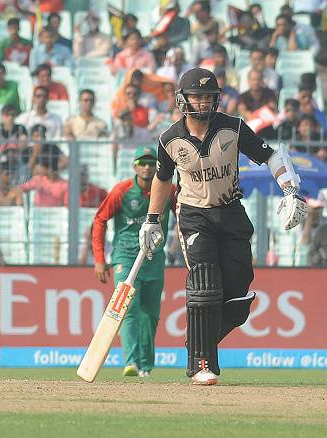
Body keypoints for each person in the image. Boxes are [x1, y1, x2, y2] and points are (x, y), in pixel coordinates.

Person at [139, 68, 307, 386]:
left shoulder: (234, 127)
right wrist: (152, 221)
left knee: (237, 296)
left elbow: (270, 156)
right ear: (182, 100)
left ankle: (199, 342)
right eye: (196, 97)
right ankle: (202, 363)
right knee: (204, 282)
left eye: (208, 97)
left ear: (216, 99)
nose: (202, 103)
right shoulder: (169, 139)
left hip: (231, 212)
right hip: (193, 215)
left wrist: (289, 190)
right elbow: (162, 181)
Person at [92, 146, 176, 377]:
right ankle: (130, 362)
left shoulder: (169, 190)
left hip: (154, 258)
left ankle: (145, 367)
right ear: (135, 166)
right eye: (143, 163)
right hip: (125, 256)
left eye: (151, 163)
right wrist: (100, 259)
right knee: (128, 308)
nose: (147, 167)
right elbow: (100, 220)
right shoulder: (122, 191)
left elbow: (185, 214)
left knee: (150, 313)